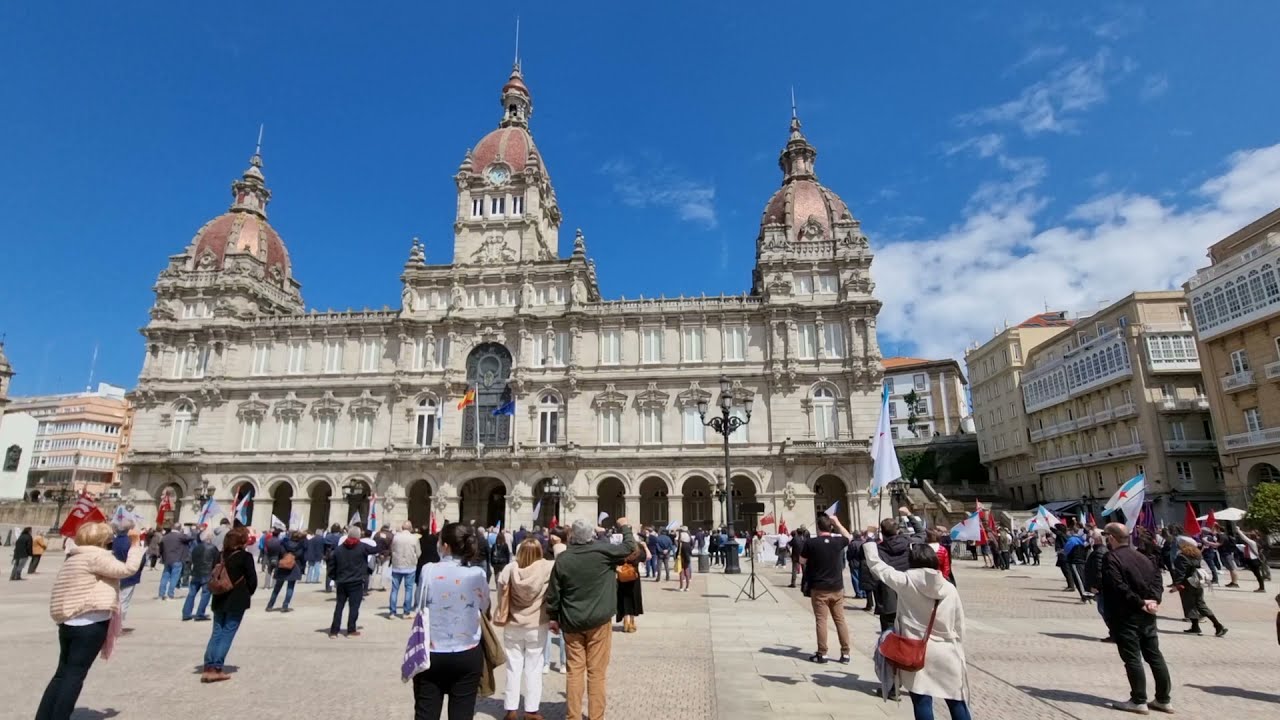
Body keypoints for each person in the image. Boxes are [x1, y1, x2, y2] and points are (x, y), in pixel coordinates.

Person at [36, 521, 143, 720]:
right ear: (102, 541)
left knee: (63, 673)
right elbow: (128, 570)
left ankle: (44, 716)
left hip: (69, 621)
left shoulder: (74, 557)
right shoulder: (95, 556)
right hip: (89, 623)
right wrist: (135, 545)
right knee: (75, 675)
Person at [863, 541, 970, 720]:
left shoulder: (905, 582)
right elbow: (959, 623)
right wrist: (958, 646)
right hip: (946, 650)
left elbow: (878, 567)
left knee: (921, 700)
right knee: (956, 700)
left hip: (915, 649)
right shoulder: (949, 588)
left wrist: (870, 544)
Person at [547, 518, 637, 720]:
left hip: (571, 622)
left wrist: (553, 617)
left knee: (574, 672)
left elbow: (554, 593)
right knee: (596, 672)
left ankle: (573, 716)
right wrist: (625, 526)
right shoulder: (603, 552)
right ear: (592, 536)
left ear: (571, 537)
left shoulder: (564, 559)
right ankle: (596, 717)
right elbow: (630, 547)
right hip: (598, 621)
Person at [414, 522, 489, 720]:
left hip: (432, 652)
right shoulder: (478, 574)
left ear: (445, 546)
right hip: (467, 652)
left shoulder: (428, 570)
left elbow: (419, 603)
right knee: (462, 714)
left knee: (425, 713)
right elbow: (485, 606)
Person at [1099, 522, 1172, 714]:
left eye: (1108, 537)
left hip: (1126, 615)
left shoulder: (1111, 558)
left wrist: (1140, 602)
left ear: (1112, 538)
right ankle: (1163, 699)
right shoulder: (1144, 557)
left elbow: (1118, 586)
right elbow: (1158, 580)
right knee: (1154, 656)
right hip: (1148, 614)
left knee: (1133, 658)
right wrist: (1153, 601)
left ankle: (1139, 699)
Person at [497, 538, 554, 720]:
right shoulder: (547, 568)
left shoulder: (509, 569)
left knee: (513, 667)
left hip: (513, 624)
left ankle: (511, 709)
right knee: (534, 667)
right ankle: (531, 710)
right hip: (537, 624)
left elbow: (501, 595)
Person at [202, 526, 256, 683]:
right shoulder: (245, 557)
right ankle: (216, 668)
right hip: (237, 599)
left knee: (217, 631)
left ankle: (208, 666)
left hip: (219, 596)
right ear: (242, 541)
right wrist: (247, 593)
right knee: (228, 632)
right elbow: (252, 580)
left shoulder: (219, 556)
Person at [800, 514, 852, 665]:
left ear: (818, 527)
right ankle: (846, 653)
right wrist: (837, 523)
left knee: (821, 620)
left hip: (819, 587)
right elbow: (849, 537)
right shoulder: (837, 541)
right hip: (837, 587)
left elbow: (802, 561)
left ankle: (822, 653)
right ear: (830, 527)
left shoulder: (812, 543)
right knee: (840, 620)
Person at [1171, 538, 1226, 637]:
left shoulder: (1182, 556)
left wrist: (1177, 584)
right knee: (1199, 603)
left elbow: (1180, 572)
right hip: (1198, 582)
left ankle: (1218, 626)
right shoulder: (1197, 554)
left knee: (1191, 605)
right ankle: (1195, 626)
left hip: (1188, 583)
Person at [328, 526, 376, 637]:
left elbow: (331, 565)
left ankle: (334, 631)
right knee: (354, 607)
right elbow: (376, 549)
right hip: (356, 581)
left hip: (342, 581)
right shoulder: (362, 547)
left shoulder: (339, 549)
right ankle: (351, 630)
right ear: (359, 535)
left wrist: (334, 577)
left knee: (339, 606)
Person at [875, 519, 912, 632]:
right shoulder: (907, 542)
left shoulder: (878, 548)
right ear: (897, 530)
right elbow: (921, 533)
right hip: (907, 589)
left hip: (888, 593)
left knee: (888, 632)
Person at [110, 520, 144, 625]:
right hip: (129, 576)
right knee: (124, 601)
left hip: (114, 573)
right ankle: (117, 625)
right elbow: (140, 560)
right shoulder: (132, 542)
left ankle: (112, 623)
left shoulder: (112, 541)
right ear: (130, 529)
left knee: (114, 600)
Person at [1082, 529, 1113, 642]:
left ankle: (1115, 633)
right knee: (1103, 609)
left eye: (1093, 538)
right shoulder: (1098, 550)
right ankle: (1114, 632)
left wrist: (1096, 586)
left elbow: (1099, 571)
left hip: (1101, 587)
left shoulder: (1100, 551)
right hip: (1100, 586)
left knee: (1104, 609)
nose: (1091, 540)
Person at [183, 530, 218, 622]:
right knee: (206, 594)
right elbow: (216, 562)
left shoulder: (195, 548)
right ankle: (200, 613)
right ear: (208, 538)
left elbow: (191, 560)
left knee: (191, 594)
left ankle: (186, 613)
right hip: (207, 573)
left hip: (196, 572)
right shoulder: (213, 548)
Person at [265, 530, 304, 612]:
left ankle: (270, 605)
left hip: (282, 566)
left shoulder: (284, 544)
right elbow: (301, 556)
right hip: (294, 566)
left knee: (277, 588)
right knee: (290, 588)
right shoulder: (300, 546)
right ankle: (285, 606)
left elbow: (279, 553)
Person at [616, 533, 647, 632]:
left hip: (623, 577)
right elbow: (647, 557)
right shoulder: (638, 550)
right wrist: (645, 546)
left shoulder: (621, 550)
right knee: (633, 599)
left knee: (624, 599)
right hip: (634, 577)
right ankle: (632, 622)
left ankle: (625, 622)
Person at [389, 521, 420, 618]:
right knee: (408, 590)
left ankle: (392, 612)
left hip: (397, 566)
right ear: (411, 528)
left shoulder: (396, 537)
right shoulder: (414, 538)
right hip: (410, 566)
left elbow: (392, 549)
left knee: (394, 589)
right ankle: (406, 612)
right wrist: (415, 559)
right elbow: (418, 552)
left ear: (402, 528)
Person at [158, 527, 192, 600]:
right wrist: (187, 532)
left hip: (167, 559)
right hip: (177, 559)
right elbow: (190, 538)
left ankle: (161, 594)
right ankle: (170, 594)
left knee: (165, 577)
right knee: (174, 577)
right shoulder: (180, 536)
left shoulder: (165, 537)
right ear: (179, 529)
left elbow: (160, 548)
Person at [1234, 527, 1267, 592]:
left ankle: (1262, 588)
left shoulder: (1252, 543)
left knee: (1258, 574)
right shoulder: (1251, 543)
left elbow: (1244, 537)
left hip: (1254, 560)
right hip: (1251, 560)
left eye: (1250, 534)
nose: (1249, 534)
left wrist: (1238, 530)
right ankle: (1261, 587)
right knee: (1257, 574)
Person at [676, 528, 693, 592]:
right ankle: (687, 587)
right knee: (687, 572)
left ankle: (681, 587)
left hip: (681, 558)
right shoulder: (688, 544)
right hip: (687, 558)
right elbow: (690, 552)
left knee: (681, 573)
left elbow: (678, 552)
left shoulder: (681, 544)